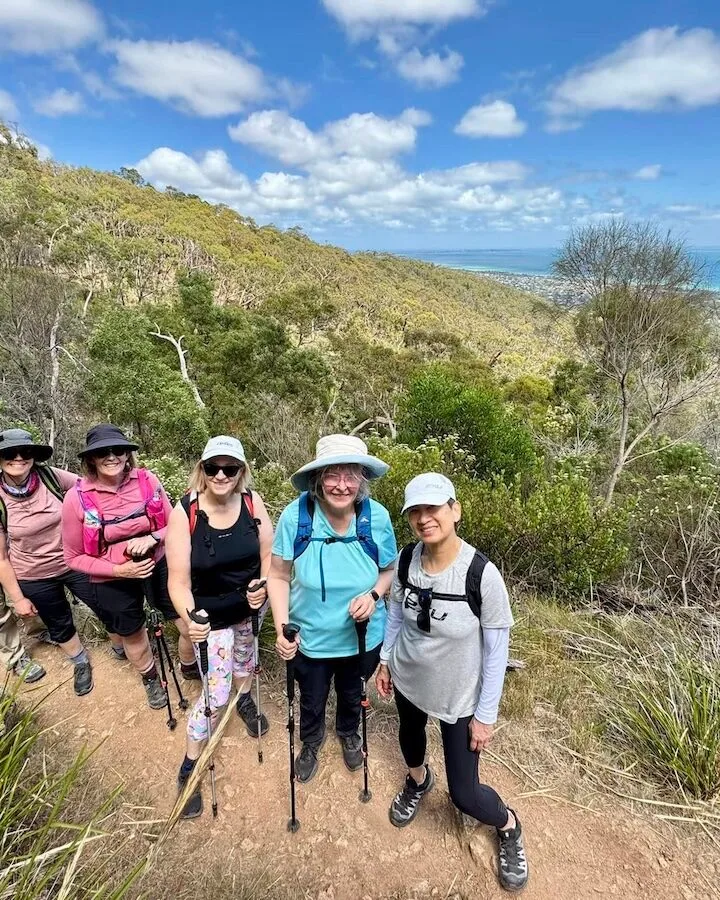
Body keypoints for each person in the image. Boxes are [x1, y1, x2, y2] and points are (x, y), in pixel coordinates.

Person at [376, 473, 528, 893]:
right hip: (409, 678)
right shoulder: (406, 560)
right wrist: (385, 660)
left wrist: (485, 715)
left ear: (455, 510)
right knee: (410, 738)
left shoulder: (481, 574)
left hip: (459, 695)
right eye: (415, 511)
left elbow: (496, 651)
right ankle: (418, 781)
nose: (424, 518)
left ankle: (508, 824)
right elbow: (395, 613)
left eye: (434, 508)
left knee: (465, 794)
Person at [270, 434, 397, 783]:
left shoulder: (376, 517)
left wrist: (373, 596)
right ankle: (311, 740)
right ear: (317, 478)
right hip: (310, 638)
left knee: (353, 692)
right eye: (332, 474)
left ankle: (348, 731)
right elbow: (278, 575)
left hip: (363, 636)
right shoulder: (297, 516)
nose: (342, 485)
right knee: (311, 696)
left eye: (351, 474)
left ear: (362, 479)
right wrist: (282, 629)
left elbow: (389, 570)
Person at [166, 436, 273, 818]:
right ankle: (190, 764)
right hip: (209, 620)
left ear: (241, 471)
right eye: (214, 467)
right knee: (215, 695)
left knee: (246, 663)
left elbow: (267, 555)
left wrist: (262, 584)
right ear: (203, 469)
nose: (222, 475)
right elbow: (178, 582)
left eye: (231, 468)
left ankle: (244, 700)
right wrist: (191, 618)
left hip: (249, 609)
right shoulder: (186, 512)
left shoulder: (252, 502)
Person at [62, 424, 197, 709]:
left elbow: (173, 525)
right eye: (102, 452)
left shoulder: (147, 481)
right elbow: (73, 557)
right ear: (91, 458)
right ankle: (150, 678)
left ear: (127, 454)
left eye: (118, 450)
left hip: (158, 563)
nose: (111, 456)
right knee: (133, 633)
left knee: (186, 622)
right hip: (110, 577)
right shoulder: (76, 497)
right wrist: (119, 570)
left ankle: (188, 664)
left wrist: (152, 538)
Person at [0, 428, 124, 695]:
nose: (18, 458)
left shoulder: (51, 477)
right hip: (33, 573)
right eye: (10, 453)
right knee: (58, 621)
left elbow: (89, 488)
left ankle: (120, 645)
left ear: (34, 455)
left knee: (107, 605)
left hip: (76, 561)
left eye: (25, 452)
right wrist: (18, 599)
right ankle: (79, 661)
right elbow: (1, 558)